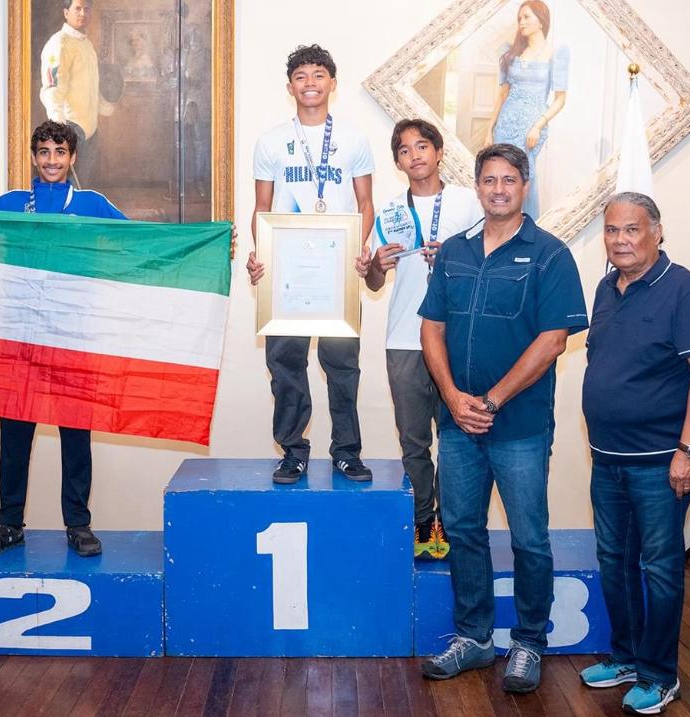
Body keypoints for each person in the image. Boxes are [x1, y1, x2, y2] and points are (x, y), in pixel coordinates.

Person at [418, 143, 587, 692]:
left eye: (508, 180)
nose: (498, 189)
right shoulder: (455, 252)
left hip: (518, 427)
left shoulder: (550, 254)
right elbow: (431, 329)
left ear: (525, 185)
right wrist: (452, 396)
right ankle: (474, 638)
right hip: (459, 424)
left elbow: (553, 340)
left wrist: (490, 401)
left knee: (529, 538)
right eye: (488, 180)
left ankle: (529, 643)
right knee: (463, 530)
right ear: (478, 186)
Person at [578, 193, 690, 715]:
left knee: (659, 567)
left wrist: (688, 450)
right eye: (612, 231)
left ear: (657, 232)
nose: (620, 240)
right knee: (613, 562)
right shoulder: (605, 288)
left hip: (662, 462)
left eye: (631, 230)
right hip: (607, 458)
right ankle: (627, 657)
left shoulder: (684, 289)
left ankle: (660, 675)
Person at [0, 120, 126, 560]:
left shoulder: (92, 203)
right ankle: (9, 524)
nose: (52, 160)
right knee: (16, 437)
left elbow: (144, 242)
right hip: (22, 342)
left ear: (72, 157)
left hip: (75, 340)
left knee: (76, 437)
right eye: (44, 152)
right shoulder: (13, 203)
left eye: (60, 152)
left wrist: (206, 237)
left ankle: (78, 524)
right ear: (34, 158)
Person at [247, 44, 375, 484]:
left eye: (319, 75)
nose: (310, 83)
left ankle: (346, 451)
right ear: (290, 86)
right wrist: (259, 256)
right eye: (301, 76)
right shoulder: (270, 141)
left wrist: (361, 247)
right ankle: (293, 451)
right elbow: (262, 207)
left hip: (338, 271)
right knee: (285, 365)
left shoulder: (353, 139)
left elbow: (365, 202)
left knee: (343, 366)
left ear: (332, 83)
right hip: (286, 274)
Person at [361, 119, 483, 560]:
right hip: (404, 338)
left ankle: (451, 524)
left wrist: (453, 256)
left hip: (456, 339)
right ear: (398, 161)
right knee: (414, 440)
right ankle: (421, 521)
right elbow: (374, 283)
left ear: (438, 152)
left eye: (423, 146)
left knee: (454, 438)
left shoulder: (469, 204)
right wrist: (377, 262)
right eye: (405, 150)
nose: (415, 155)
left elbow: (487, 264)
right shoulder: (391, 212)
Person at [485, 0, 569, 219]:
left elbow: (560, 100)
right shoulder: (510, 52)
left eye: (526, 17)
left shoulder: (556, 52)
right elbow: (502, 94)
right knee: (500, 174)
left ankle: (528, 231)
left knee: (525, 175)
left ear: (541, 21)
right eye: (519, 18)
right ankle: (499, 226)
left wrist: (538, 126)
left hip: (531, 127)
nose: (521, 22)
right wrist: (489, 130)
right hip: (505, 125)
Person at [40, 0, 114, 185]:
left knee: (82, 189)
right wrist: (59, 130)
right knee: (67, 188)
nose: (82, 13)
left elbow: (91, 87)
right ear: (66, 12)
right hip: (70, 128)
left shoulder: (87, 45)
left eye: (86, 9)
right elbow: (52, 86)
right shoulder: (59, 44)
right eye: (77, 9)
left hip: (90, 130)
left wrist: (106, 106)